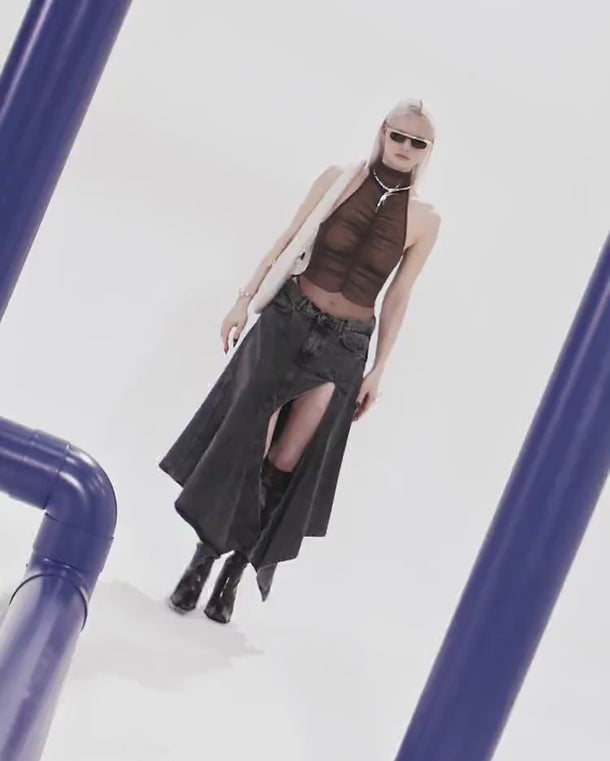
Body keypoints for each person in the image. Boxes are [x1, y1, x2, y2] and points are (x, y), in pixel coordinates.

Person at [159, 98, 441, 624]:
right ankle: (201, 561)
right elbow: (289, 238)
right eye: (397, 135)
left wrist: (380, 368)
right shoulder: (339, 179)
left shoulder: (425, 219)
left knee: (288, 460)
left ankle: (233, 574)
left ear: (428, 150)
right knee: (248, 442)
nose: (404, 147)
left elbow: (399, 295)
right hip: (289, 319)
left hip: (345, 344)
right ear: (382, 133)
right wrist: (244, 300)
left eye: (416, 142)